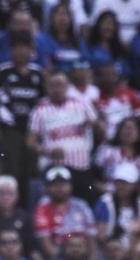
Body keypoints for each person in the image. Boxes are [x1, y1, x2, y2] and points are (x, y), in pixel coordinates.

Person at [28, 72, 104, 205]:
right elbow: (30, 141)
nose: (57, 89)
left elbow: (100, 130)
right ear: (47, 88)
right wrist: (47, 151)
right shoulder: (40, 109)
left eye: (60, 85)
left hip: (81, 166)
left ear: (68, 86)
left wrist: (95, 124)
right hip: (56, 167)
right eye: (53, 85)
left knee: (85, 202)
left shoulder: (82, 104)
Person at [0, 32, 45, 199]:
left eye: (25, 48)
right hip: (10, 128)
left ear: (31, 51)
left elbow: (43, 104)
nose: (21, 52)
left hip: (32, 130)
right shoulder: (3, 71)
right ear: (11, 50)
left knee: (30, 170)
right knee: (11, 169)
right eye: (17, 48)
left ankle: (26, 207)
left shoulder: (38, 74)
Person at [33, 166, 96, 260]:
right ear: (48, 188)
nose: (59, 188)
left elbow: (92, 239)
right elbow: (47, 246)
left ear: (70, 185)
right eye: (55, 184)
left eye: (63, 184)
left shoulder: (81, 206)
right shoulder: (43, 207)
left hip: (83, 259)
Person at [95, 162, 140, 245]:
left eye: (126, 183)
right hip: (109, 249)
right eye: (118, 182)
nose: (121, 186)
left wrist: (138, 249)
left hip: (134, 250)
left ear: (135, 185)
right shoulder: (105, 202)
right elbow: (101, 235)